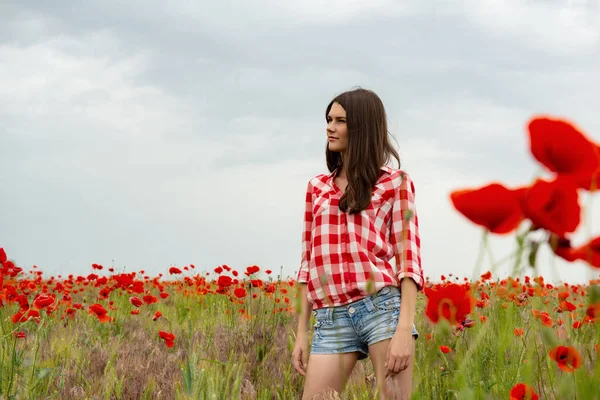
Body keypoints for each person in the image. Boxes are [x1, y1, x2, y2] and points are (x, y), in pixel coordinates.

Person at [292, 88, 424, 400]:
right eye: (328, 119)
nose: (329, 127)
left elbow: (409, 262)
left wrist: (404, 329)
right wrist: (301, 332)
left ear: (362, 127)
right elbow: (307, 265)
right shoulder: (316, 188)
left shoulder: (395, 183)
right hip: (331, 317)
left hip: (381, 309)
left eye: (340, 121)